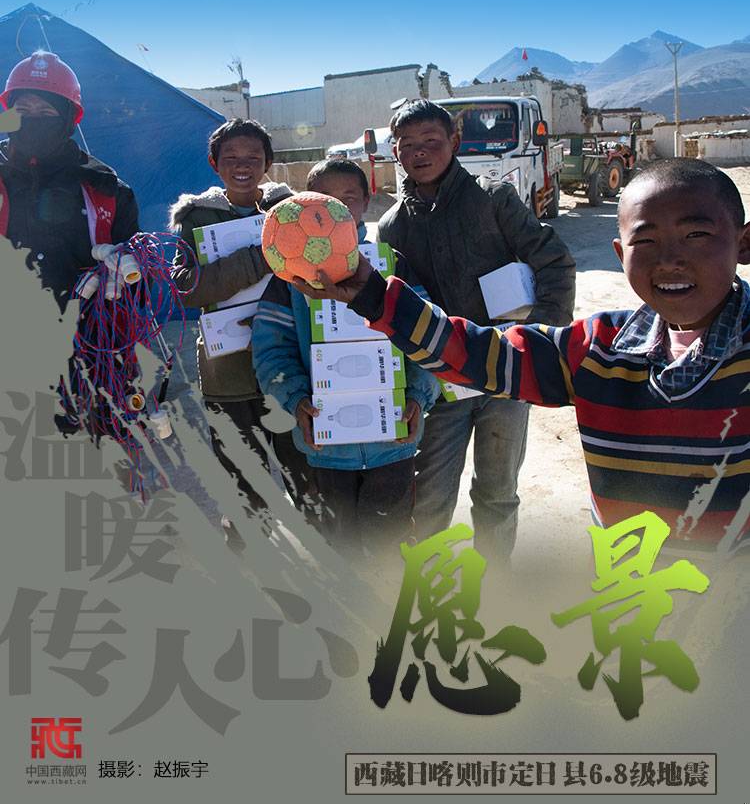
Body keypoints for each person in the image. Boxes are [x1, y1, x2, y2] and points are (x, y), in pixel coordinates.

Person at [296, 158, 750, 560]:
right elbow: (477, 352)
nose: (670, 259)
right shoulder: (598, 350)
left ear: (744, 243)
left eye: (696, 235)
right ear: (620, 254)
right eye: (645, 240)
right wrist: (374, 296)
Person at [376, 99, 575, 559]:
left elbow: (554, 262)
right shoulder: (392, 228)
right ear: (395, 152)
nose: (419, 152)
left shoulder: (494, 199)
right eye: (407, 144)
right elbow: (394, 311)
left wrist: (537, 344)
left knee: (497, 494)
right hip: (439, 384)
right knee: (429, 497)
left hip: (505, 379)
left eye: (431, 141)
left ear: (455, 141)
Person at [252, 157, 440, 566]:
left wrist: (417, 396)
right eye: (323, 199)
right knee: (338, 545)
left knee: (390, 541)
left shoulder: (391, 264)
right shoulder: (289, 277)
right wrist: (296, 400)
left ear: (366, 202)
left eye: (348, 199)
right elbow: (271, 350)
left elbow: (427, 335)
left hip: (392, 442)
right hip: (325, 447)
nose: (333, 211)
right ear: (304, 204)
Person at [169, 118, 317, 533]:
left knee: (307, 477)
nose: (242, 165)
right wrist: (258, 258)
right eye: (231, 157)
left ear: (268, 163)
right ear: (214, 163)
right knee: (243, 485)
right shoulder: (196, 218)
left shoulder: (290, 210)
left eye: (254, 157)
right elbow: (186, 288)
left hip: (288, 368)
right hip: (228, 374)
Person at [0, 51, 139, 310]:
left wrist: (130, 273)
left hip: (86, 333)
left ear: (68, 118)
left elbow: (140, 291)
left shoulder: (107, 190)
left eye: (45, 111)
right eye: (22, 110)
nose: (32, 120)